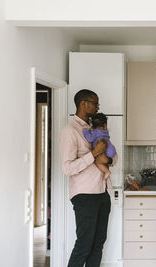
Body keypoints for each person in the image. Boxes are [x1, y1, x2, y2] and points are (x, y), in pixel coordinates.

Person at [59, 89, 117, 267]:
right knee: (84, 245)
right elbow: (68, 168)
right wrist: (94, 154)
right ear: (83, 104)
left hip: (102, 193)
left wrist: (105, 158)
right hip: (84, 195)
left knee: (98, 244)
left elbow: (113, 158)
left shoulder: (94, 128)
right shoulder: (70, 131)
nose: (98, 106)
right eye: (95, 103)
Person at [83, 112, 116, 187]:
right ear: (105, 125)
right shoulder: (105, 131)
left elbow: (90, 139)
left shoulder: (95, 132)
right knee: (103, 160)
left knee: (97, 162)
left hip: (103, 150)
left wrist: (85, 131)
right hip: (111, 149)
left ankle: (107, 171)